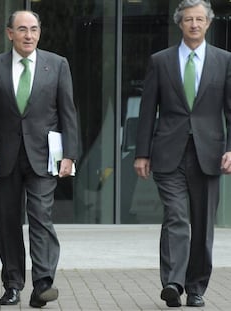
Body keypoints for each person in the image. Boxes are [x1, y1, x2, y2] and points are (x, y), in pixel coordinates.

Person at [0, 10, 78, 308]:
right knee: (7, 222)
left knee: (40, 216)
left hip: (44, 157)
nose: (28, 35)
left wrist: (69, 154)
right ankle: (12, 284)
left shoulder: (57, 65)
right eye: (22, 29)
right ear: (10, 34)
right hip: (3, 158)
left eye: (33, 29)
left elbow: (68, 112)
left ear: (39, 32)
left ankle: (43, 282)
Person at [134, 0, 231, 308]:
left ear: (208, 23)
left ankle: (197, 287)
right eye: (188, 19)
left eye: (199, 19)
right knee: (176, 216)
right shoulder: (160, 61)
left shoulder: (224, 60)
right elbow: (148, 109)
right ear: (180, 23)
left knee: (202, 225)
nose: (194, 24)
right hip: (168, 152)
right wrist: (141, 152)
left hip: (209, 152)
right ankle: (173, 283)